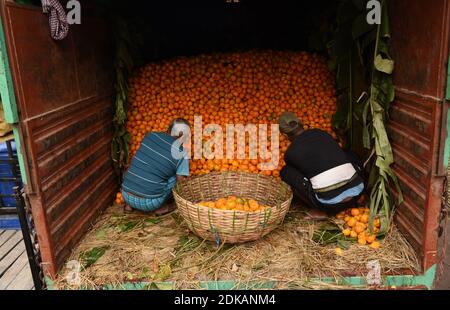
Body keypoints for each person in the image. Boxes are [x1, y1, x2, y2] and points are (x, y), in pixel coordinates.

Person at [278, 111, 365, 217]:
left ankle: (319, 211)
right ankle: (354, 191)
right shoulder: (321, 133)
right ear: (300, 123)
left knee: (286, 171)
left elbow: (303, 173)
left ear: (284, 135)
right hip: (357, 193)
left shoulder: (290, 153)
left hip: (328, 204)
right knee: (348, 153)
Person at [121, 118, 190, 215]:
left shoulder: (150, 135)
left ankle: (129, 206)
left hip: (125, 194)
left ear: (168, 129)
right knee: (178, 177)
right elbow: (181, 183)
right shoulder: (181, 153)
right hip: (149, 204)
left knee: (140, 167)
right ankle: (165, 208)